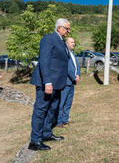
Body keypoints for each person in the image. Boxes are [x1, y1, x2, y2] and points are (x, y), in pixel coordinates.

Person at [28, 18, 71, 151]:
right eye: (67, 28)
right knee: (40, 111)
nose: (69, 31)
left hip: (58, 84)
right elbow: (44, 61)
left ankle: (46, 134)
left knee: (52, 110)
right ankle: (35, 141)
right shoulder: (48, 39)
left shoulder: (61, 41)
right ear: (59, 28)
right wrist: (47, 82)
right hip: (47, 83)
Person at [57, 37, 80, 128]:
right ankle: (58, 122)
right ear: (66, 43)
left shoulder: (72, 54)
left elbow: (76, 66)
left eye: (74, 42)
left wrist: (78, 74)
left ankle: (65, 120)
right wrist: (74, 77)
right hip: (65, 82)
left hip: (72, 83)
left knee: (68, 103)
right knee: (61, 103)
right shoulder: (64, 53)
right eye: (71, 42)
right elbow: (66, 67)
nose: (73, 44)